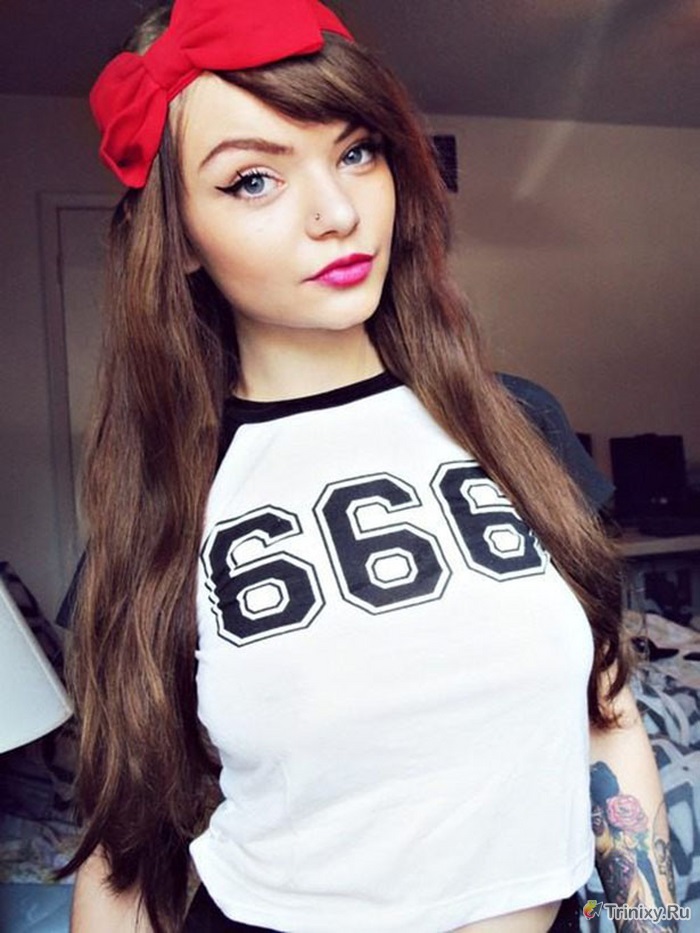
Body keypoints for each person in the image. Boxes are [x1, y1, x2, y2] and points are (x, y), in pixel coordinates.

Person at [61, 1, 677, 931]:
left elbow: (609, 715)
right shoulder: (168, 503)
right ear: (179, 235)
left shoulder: (517, 423)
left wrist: (652, 922)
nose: (339, 213)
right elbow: (125, 852)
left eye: (356, 152)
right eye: (254, 179)